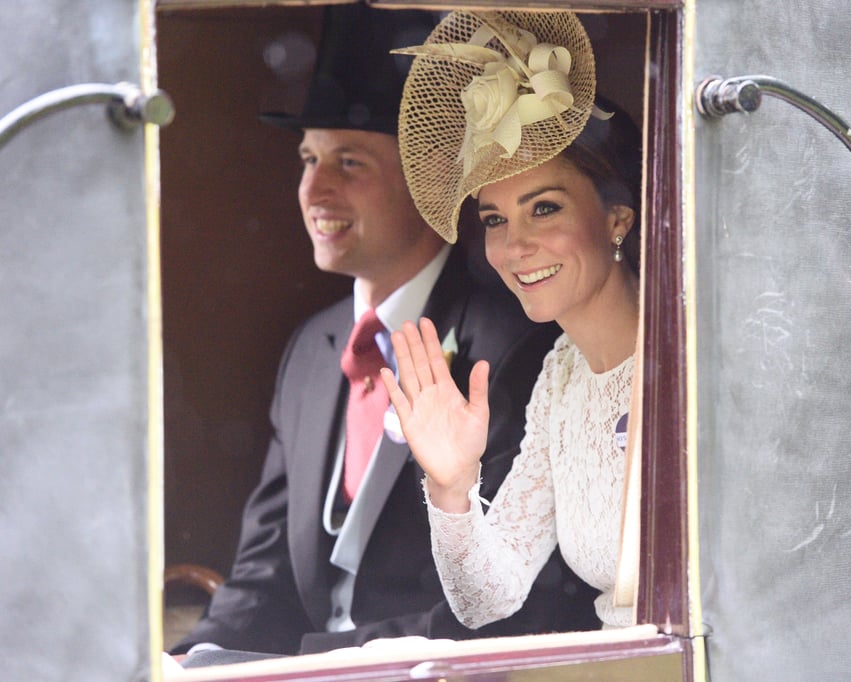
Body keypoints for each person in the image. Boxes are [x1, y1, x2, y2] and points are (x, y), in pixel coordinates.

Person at [170, 5, 600, 663]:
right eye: (308, 158)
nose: (315, 188)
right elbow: (264, 579)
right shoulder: (311, 350)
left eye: (350, 162)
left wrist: (312, 664)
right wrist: (186, 663)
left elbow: (516, 610)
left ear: (428, 177)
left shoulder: (514, 344)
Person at [381, 9, 643, 630]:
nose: (513, 248)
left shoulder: (689, 356)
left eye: (544, 209)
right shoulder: (562, 376)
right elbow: (487, 601)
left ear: (617, 220)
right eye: (495, 219)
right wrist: (451, 487)